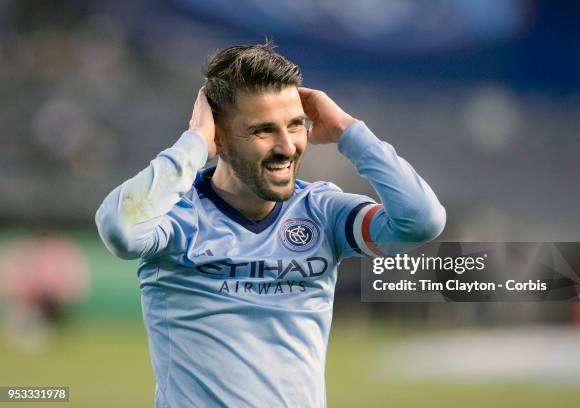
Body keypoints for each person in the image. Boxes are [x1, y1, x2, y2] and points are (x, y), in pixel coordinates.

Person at [96, 42, 446, 408]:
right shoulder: (181, 217)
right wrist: (194, 142)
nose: (287, 147)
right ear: (221, 136)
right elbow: (121, 230)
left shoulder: (322, 213)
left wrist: (348, 131)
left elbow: (420, 221)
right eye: (264, 131)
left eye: (296, 125)